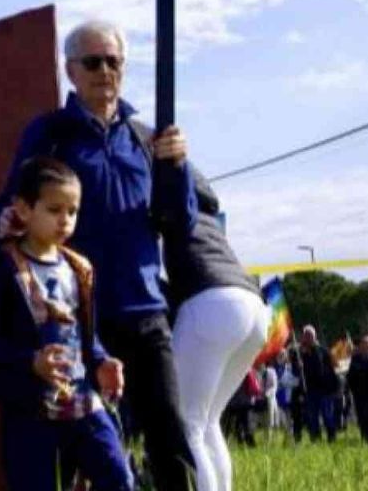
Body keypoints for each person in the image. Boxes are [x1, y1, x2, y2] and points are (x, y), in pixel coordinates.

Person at [0, 20, 198, 491]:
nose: (104, 72)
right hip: (80, 317)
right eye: (92, 62)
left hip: (146, 313)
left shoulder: (145, 139)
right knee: (75, 455)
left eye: (114, 62)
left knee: (171, 440)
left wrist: (178, 168)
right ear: (70, 70)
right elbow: (11, 208)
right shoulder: (50, 135)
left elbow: (180, 223)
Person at [0, 157, 130, 491]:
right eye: (54, 210)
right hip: (29, 405)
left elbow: (87, 333)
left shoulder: (79, 269)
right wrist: (30, 362)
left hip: (82, 400)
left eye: (72, 211)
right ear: (24, 209)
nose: (65, 220)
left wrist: (102, 362)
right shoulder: (5, 268)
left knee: (118, 475)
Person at [158, 148, 265, 491]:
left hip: (210, 302)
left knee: (187, 423)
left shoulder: (172, 207)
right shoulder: (210, 220)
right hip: (253, 307)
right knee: (208, 422)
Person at [294, 326, 340, 443]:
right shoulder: (299, 353)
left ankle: (331, 438)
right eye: (306, 335)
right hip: (310, 390)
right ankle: (316, 439)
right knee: (312, 417)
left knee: (327, 416)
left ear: (315, 336)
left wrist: (335, 387)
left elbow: (331, 369)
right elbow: (296, 372)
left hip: (325, 390)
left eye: (310, 335)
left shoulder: (323, 351)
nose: (308, 338)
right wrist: (298, 366)